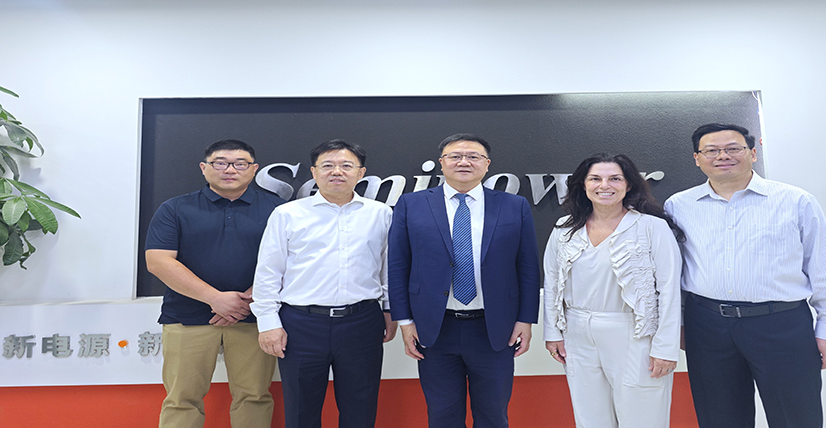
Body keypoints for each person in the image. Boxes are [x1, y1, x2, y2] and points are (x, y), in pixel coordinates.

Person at [664, 123, 826, 428]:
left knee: (796, 417)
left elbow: (824, 270)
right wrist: (680, 324)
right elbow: (676, 271)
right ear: (697, 158)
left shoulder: (795, 201)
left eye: (733, 148)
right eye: (711, 150)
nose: (723, 156)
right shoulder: (679, 205)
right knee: (719, 417)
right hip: (707, 326)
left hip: (780, 324)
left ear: (752, 153)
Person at [388, 133, 541, 428]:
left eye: (473, 156)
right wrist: (405, 321)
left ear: (487, 164)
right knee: (442, 415)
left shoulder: (514, 205)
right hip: (435, 328)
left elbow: (527, 268)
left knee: (493, 414)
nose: (464, 162)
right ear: (441, 163)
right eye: (455, 156)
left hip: (494, 328)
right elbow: (398, 266)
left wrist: (526, 320)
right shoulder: (411, 204)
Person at [251, 139, 397, 428]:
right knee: (300, 410)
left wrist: (389, 310)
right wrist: (268, 323)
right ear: (314, 172)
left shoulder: (380, 213)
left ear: (361, 173)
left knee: (361, 407)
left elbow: (388, 268)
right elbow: (268, 271)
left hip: (362, 322)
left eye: (346, 166)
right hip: (301, 324)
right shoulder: (288, 214)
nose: (336, 172)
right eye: (327, 165)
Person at [145, 139, 284, 428]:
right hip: (187, 317)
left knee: (254, 396)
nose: (230, 169)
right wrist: (215, 299)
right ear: (204, 167)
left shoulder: (279, 210)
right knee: (182, 398)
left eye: (240, 163)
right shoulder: (175, 208)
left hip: (255, 318)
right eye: (220, 163)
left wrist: (248, 299)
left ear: (254, 169)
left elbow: (293, 261)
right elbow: (158, 262)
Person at [543, 153, 682, 428]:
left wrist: (666, 347)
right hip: (577, 332)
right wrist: (552, 333)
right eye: (595, 178)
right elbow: (552, 282)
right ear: (583, 185)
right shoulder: (564, 229)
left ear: (628, 185)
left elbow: (669, 290)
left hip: (634, 332)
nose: (604, 185)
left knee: (643, 417)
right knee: (590, 417)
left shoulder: (652, 227)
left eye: (615, 179)